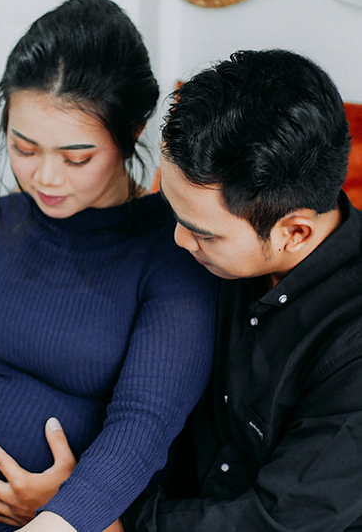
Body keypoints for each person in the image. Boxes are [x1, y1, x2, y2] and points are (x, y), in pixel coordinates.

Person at [0, 0, 217, 532]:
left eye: (77, 158)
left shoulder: (174, 251)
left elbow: (144, 425)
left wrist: (61, 516)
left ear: (134, 132)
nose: (45, 178)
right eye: (23, 148)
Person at [119, 49, 362, 532]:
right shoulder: (225, 249)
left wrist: (114, 520)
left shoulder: (351, 345)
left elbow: (277, 519)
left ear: (293, 233)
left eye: (203, 233)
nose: (177, 240)